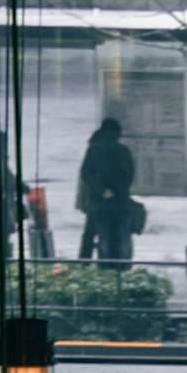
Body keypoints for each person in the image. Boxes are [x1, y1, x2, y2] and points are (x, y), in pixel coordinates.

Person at [78, 109, 139, 271]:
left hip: (99, 201)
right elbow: (130, 175)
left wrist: (101, 190)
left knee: (102, 235)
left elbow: (86, 173)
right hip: (121, 201)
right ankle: (123, 267)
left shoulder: (94, 149)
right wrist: (119, 192)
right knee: (122, 235)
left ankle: (103, 267)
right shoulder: (124, 151)